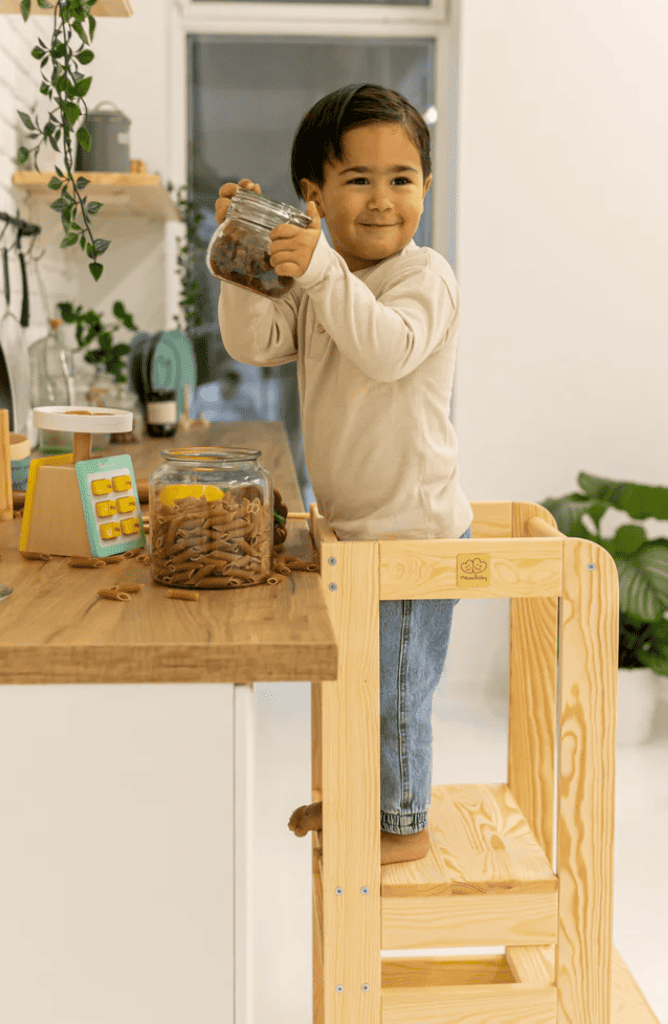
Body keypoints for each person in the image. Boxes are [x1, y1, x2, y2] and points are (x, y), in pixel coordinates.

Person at [214, 83, 473, 865]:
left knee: (397, 684)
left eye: (402, 179)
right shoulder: (321, 282)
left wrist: (321, 271)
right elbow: (256, 342)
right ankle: (366, 795)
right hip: (358, 529)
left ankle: (400, 823)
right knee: (361, 677)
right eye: (357, 179)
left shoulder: (424, 278)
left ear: (427, 188)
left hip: (413, 529)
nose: (382, 199)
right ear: (314, 197)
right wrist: (241, 257)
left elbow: (387, 348)